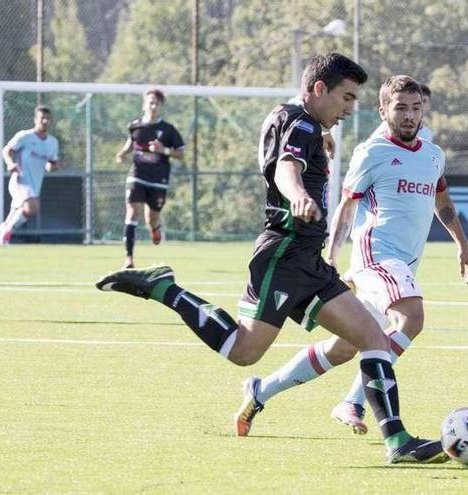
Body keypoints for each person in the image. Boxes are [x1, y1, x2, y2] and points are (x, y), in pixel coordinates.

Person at [95, 53, 447, 464]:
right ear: (319, 90)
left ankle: (398, 442)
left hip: (309, 259)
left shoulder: (298, 120)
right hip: (283, 252)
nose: (351, 109)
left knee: (370, 338)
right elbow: (286, 168)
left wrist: (321, 136)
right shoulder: (300, 124)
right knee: (243, 351)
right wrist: (297, 194)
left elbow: (294, 142)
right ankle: (165, 289)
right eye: (346, 98)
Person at [237, 76, 468, 436]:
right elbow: (347, 208)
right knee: (411, 317)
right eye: (400, 108)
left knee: (344, 348)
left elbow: (442, 201)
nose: (410, 116)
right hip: (375, 257)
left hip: (403, 264)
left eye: (416, 108)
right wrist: (331, 255)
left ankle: (261, 390)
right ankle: (355, 403)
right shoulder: (372, 151)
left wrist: (463, 245)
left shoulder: (432, 154)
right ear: (383, 111)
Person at [0, 106, 62, 257]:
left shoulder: (52, 142)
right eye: (42, 118)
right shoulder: (25, 136)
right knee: (33, 207)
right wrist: (10, 163)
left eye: (48, 118)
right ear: (35, 119)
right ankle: (7, 230)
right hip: (20, 181)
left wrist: (55, 166)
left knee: (13, 217)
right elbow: (6, 150)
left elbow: (51, 165)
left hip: (35, 184)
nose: (45, 121)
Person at [114, 89, 184, 268]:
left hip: (158, 179)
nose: (153, 106)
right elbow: (130, 144)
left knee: (151, 218)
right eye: (150, 102)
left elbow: (180, 153)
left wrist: (164, 150)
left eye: (157, 103)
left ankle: (155, 227)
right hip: (137, 175)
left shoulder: (168, 130)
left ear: (161, 107)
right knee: (132, 212)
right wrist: (122, 154)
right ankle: (128, 258)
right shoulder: (135, 126)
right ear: (144, 104)